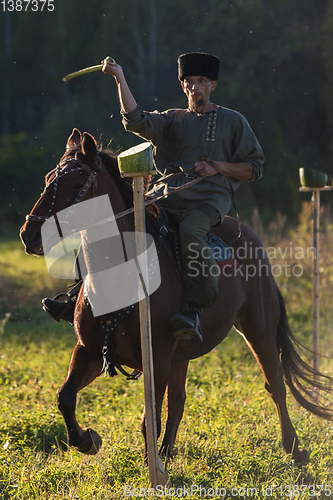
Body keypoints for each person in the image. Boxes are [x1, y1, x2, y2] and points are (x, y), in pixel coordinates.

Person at [43, 52, 264, 344]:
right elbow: (136, 119)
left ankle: (193, 310)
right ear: (183, 86)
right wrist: (119, 77)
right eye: (189, 82)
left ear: (213, 84)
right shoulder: (172, 119)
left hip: (208, 201)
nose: (195, 87)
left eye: (201, 81)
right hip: (165, 196)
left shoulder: (233, 121)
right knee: (109, 223)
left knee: (190, 231)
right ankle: (77, 296)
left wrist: (217, 166)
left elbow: (255, 168)